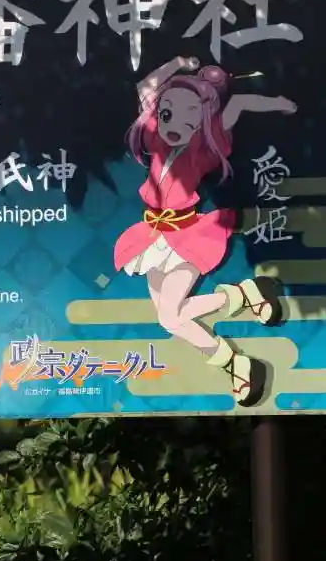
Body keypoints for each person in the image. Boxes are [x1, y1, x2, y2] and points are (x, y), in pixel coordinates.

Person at [113, 55, 296, 407]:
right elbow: (146, 87)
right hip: (153, 235)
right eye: (168, 112)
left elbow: (239, 104)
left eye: (190, 115)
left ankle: (237, 364)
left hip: (187, 236)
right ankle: (245, 297)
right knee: (170, 319)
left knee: (171, 316)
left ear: (203, 118)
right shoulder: (156, 141)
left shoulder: (202, 149)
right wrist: (177, 63)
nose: (174, 123)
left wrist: (277, 103)